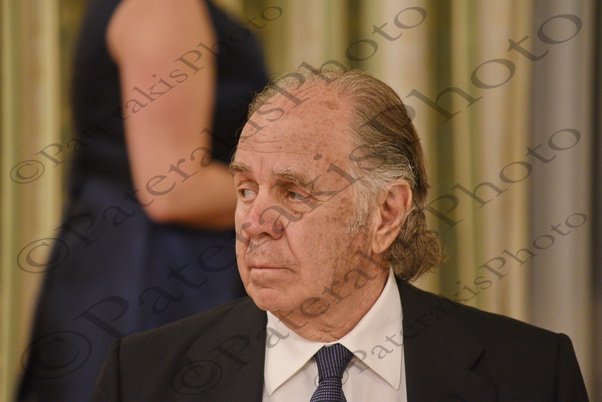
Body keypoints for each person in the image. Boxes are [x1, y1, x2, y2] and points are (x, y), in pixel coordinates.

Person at [92, 66, 588, 401]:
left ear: (386, 213)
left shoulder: (531, 373)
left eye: (293, 193)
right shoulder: (142, 376)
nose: (253, 222)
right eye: (245, 190)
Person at [18, 0, 268, 400]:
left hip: (122, 268)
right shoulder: (164, 8)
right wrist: (310, 193)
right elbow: (174, 191)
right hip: (160, 281)